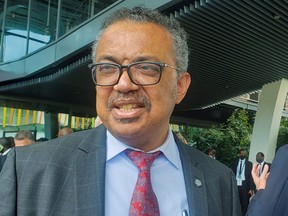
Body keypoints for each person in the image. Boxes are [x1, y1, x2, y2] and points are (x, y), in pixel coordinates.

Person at [0, 7, 241, 216]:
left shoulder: (219, 181)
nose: (123, 84)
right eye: (107, 67)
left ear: (180, 86)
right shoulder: (27, 170)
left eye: (146, 68)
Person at [247, 144, 288, 216]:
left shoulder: (284, 152)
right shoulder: (253, 164)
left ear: (263, 157)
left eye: (259, 156)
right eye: (257, 156)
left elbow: (261, 209)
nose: (258, 157)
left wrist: (260, 190)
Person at [232, 149, 255, 215]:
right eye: (241, 153)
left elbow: (251, 176)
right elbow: (232, 173)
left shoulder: (249, 164)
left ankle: (244, 214)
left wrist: (251, 188)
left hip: (245, 185)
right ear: (239, 154)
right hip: (236, 184)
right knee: (236, 200)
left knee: (245, 201)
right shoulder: (235, 162)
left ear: (246, 155)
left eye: (244, 153)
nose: (242, 154)